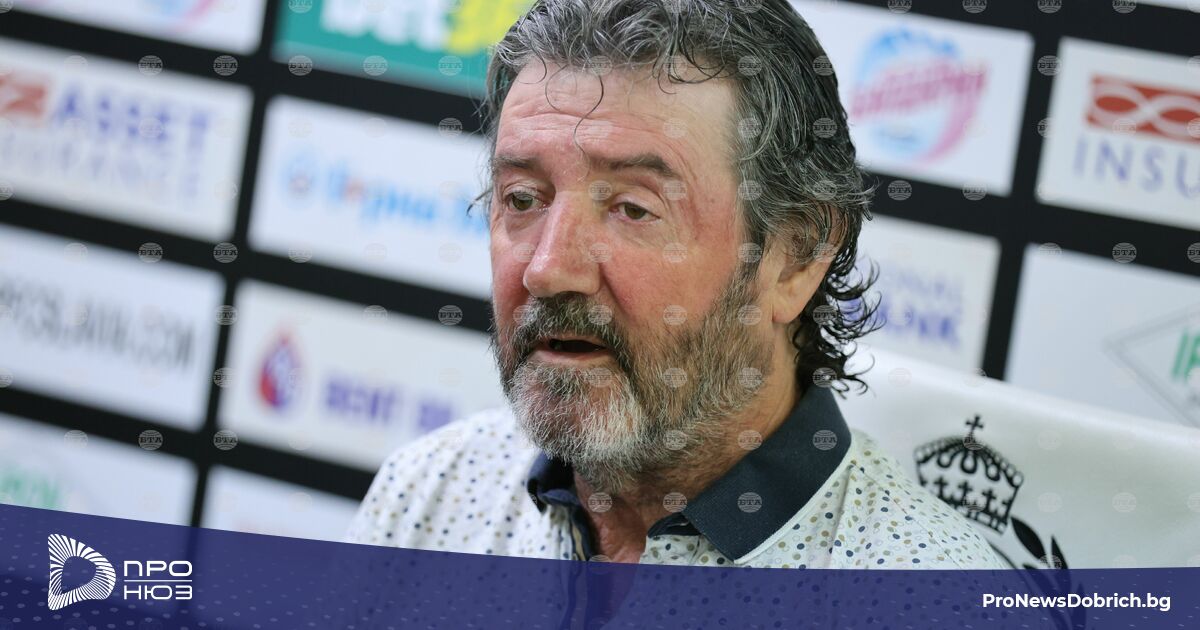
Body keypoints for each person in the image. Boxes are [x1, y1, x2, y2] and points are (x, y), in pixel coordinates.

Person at [345, 0, 1005, 570]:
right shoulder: (428, 497)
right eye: (522, 198)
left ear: (795, 257)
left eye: (634, 209)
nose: (548, 268)